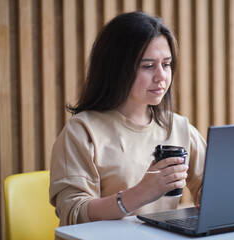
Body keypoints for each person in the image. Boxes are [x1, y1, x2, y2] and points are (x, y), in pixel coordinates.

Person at [49, 11, 206, 226]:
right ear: (117, 69)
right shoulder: (82, 131)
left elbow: (212, 186)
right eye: (148, 66)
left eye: (166, 64)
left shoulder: (179, 127)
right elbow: (74, 213)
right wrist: (141, 193)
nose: (161, 76)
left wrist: (213, 198)